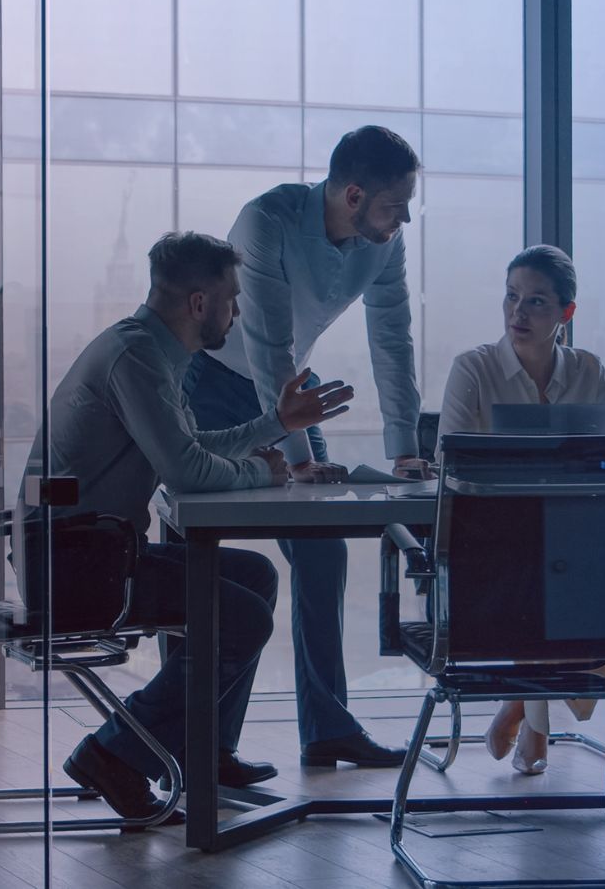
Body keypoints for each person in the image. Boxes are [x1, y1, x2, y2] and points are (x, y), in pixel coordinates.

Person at [33, 231, 356, 818]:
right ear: (200, 303)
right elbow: (185, 471)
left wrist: (276, 423)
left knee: (253, 575)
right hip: (74, 565)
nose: (238, 314)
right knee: (241, 617)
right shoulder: (137, 358)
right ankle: (114, 751)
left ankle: (206, 750)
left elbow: (192, 445)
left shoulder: (150, 352)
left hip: (94, 551)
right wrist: (262, 471)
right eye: (232, 300)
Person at [183, 125, 426, 768]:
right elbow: (267, 344)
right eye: (395, 205)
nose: (404, 218)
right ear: (353, 195)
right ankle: (206, 748)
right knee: (206, 560)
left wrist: (404, 447)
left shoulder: (384, 243)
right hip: (214, 386)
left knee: (323, 550)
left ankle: (326, 728)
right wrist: (299, 458)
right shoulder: (266, 221)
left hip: (291, 390)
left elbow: (393, 340)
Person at [434, 245, 605, 775]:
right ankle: (537, 723)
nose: (518, 312)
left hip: (572, 541)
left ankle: (521, 702)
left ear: (566, 313)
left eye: (536, 301)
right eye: (512, 297)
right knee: (543, 572)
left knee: (595, 573)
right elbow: (451, 462)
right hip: (491, 544)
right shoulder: (474, 368)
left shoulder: (589, 370)